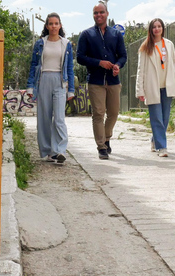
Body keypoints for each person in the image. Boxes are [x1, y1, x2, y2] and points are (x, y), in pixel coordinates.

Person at [77, 1, 127, 160]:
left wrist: (118, 65)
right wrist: (99, 63)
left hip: (113, 80)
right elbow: (80, 57)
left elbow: (123, 56)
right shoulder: (86, 34)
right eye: (95, 13)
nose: (98, 15)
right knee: (98, 113)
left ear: (107, 13)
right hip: (95, 81)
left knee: (113, 113)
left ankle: (106, 138)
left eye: (101, 12)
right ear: (93, 15)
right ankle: (101, 147)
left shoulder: (116, 34)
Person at [27, 12, 75, 164]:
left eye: (56, 23)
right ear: (47, 26)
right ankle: (49, 151)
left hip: (60, 81)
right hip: (43, 80)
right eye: (51, 24)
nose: (53, 26)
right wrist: (30, 87)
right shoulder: (41, 43)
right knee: (44, 117)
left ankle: (60, 150)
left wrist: (71, 89)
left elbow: (69, 68)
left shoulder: (66, 43)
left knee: (59, 118)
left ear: (60, 25)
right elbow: (33, 65)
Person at [135, 18, 175, 157]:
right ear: (151, 29)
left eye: (159, 26)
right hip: (152, 87)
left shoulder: (169, 44)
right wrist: (140, 90)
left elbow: (174, 61)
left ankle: (155, 140)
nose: (157, 29)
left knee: (165, 117)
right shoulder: (145, 47)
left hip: (168, 85)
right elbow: (140, 70)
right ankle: (162, 148)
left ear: (162, 28)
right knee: (156, 117)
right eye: (154, 27)